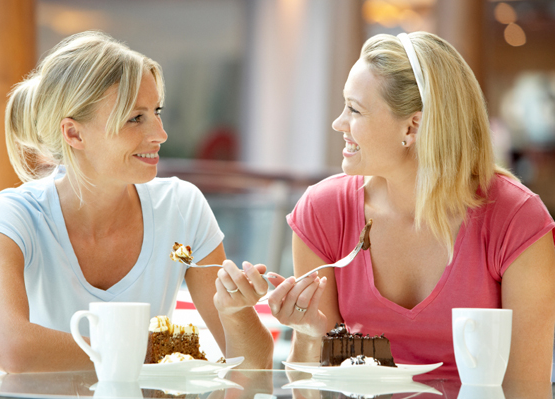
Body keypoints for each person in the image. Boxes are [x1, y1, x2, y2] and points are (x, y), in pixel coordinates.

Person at [223, 31, 555, 380]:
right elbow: (313, 386)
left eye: (354, 109)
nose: (339, 123)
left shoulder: (518, 221)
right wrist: (310, 334)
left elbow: (526, 387)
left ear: (412, 126)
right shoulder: (323, 213)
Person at [0, 31, 273, 373]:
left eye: (156, 112)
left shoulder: (181, 212)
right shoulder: (8, 219)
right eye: (135, 118)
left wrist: (235, 313)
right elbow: (12, 349)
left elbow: (254, 367)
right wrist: (153, 349)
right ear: (74, 133)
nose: (160, 133)